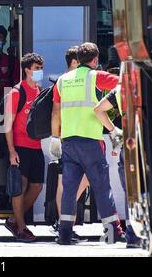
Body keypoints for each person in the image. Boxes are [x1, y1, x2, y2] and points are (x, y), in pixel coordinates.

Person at [50, 42, 125, 245]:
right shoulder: (96, 76)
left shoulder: (62, 81)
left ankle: (64, 233)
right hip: (90, 140)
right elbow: (125, 83)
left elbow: (56, 112)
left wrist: (55, 138)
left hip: (68, 141)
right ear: (95, 60)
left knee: (70, 189)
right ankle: (113, 233)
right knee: (102, 187)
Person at [94, 78, 142, 249]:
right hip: (148, 145)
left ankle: (132, 235)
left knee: (131, 193)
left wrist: (115, 131)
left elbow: (98, 110)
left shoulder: (120, 90)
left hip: (128, 146)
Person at [3, 53, 45, 242]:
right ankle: (21, 227)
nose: (39, 72)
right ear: (27, 70)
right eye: (36, 68)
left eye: (40, 68)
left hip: (36, 146)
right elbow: (7, 124)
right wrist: (11, 151)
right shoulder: (16, 92)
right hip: (20, 146)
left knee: (36, 187)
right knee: (20, 187)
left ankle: (13, 220)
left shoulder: (40, 91)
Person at [50, 46, 89, 240]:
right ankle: (63, 222)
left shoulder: (66, 81)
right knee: (65, 185)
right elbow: (56, 113)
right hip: (66, 139)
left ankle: (63, 221)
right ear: (74, 62)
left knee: (69, 183)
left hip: (70, 138)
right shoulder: (65, 82)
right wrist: (55, 138)